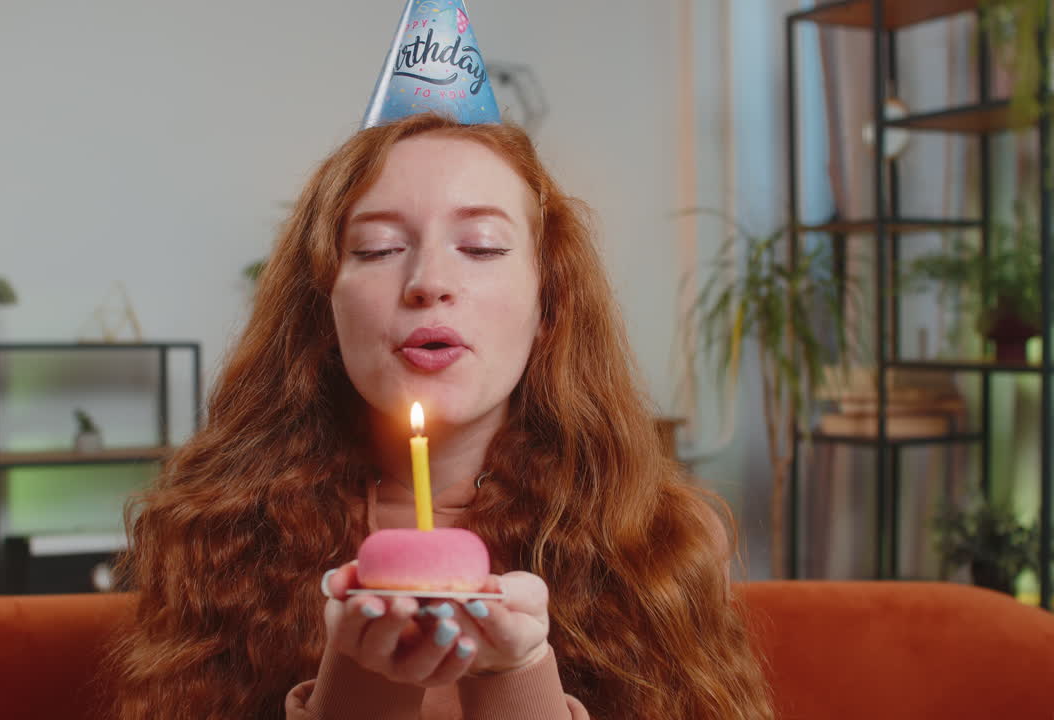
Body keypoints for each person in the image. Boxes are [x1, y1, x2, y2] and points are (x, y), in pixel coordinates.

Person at [111, 2, 773, 718]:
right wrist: (361, 685)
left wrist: (516, 675)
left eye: (482, 247)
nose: (429, 281)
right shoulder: (217, 537)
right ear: (322, 310)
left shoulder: (661, 541)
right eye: (378, 249)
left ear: (549, 304)